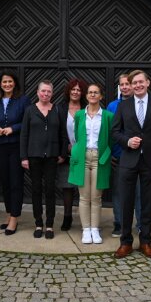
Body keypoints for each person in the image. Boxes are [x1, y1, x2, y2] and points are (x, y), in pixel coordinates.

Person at [112, 70, 151, 259]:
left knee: (146, 203)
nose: (137, 85)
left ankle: (146, 241)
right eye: (133, 83)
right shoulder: (124, 106)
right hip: (128, 160)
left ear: (148, 83)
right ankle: (125, 242)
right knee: (126, 202)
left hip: (150, 161)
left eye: (140, 82)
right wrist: (127, 141)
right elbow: (115, 132)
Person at [20, 80, 68, 239]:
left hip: (52, 156)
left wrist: (62, 153)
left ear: (52, 93)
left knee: (49, 190)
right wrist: (24, 156)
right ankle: (38, 223)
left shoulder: (58, 110)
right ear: (37, 92)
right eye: (43, 91)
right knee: (36, 190)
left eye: (49, 91)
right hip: (34, 156)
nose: (46, 94)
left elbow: (63, 133)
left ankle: (49, 224)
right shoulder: (29, 110)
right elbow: (24, 134)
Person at [68, 83, 114, 244]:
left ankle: (95, 229)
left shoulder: (108, 116)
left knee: (96, 197)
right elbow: (76, 137)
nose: (93, 95)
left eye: (96, 93)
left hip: (100, 158)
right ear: (86, 96)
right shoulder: (80, 115)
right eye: (90, 92)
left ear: (101, 96)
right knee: (83, 197)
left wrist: (105, 156)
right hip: (82, 157)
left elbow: (112, 139)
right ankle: (86, 229)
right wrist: (75, 152)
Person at [0, 71, 31, 235]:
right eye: (4, 82)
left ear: (15, 83)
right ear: (0, 84)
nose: (7, 84)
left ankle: (14, 217)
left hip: (16, 146)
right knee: (5, 182)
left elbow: (27, 122)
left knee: (15, 182)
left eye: (10, 81)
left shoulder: (23, 100)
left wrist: (13, 128)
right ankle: (8, 213)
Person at [107, 74, 142, 238]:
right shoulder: (112, 106)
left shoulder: (140, 104)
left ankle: (141, 224)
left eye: (127, 83)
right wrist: (110, 152)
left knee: (139, 192)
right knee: (119, 193)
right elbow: (109, 132)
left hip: (137, 156)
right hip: (118, 156)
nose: (125, 87)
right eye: (122, 84)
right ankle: (119, 224)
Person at [57, 78, 88, 231]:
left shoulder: (88, 108)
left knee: (84, 187)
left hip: (84, 153)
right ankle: (67, 217)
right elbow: (57, 132)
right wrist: (64, 149)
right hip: (66, 154)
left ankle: (86, 220)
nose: (75, 92)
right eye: (73, 89)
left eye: (79, 90)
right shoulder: (60, 108)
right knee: (67, 187)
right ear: (69, 91)